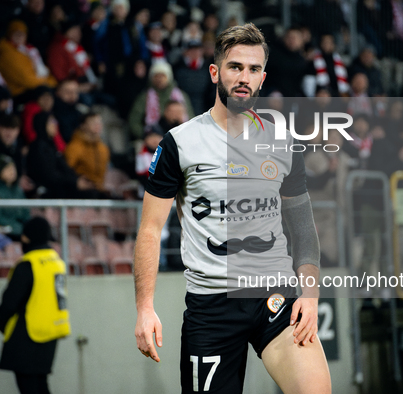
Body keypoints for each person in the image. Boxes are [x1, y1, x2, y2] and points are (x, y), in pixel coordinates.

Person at [134, 23, 331, 394]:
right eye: (235, 67)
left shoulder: (283, 141)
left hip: (275, 298)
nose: (244, 78)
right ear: (215, 72)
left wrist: (310, 292)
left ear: (262, 78)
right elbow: (148, 230)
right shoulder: (180, 143)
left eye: (253, 69)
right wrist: (145, 308)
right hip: (212, 308)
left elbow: (303, 227)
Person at [0, 216, 71, 394]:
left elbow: (9, 303)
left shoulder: (28, 264)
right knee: (41, 385)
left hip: (27, 335)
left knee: (29, 387)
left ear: (26, 238)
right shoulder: (57, 262)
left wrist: (3, 325)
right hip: (51, 334)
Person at [64, 112, 110, 191]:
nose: (97, 125)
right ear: (83, 126)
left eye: (99, 122)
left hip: (99, 189)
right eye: (92, 122)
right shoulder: (75, 147)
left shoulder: (103, 148)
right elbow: (66, 170)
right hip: (80, 191)